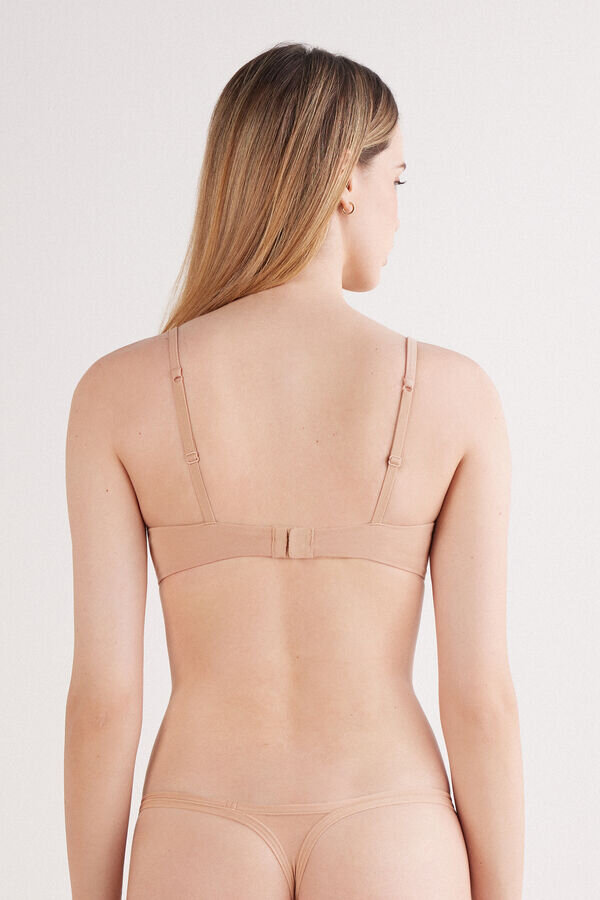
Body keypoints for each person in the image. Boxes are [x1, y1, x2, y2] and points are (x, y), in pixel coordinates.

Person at [64, 41, 524, 900]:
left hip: (197, 830)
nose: (398, 213)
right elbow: (480, 700)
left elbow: (103, 702)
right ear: (347, 181)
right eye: (397, 180)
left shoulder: (114, 395)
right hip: (393, 826)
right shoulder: (457, 396)